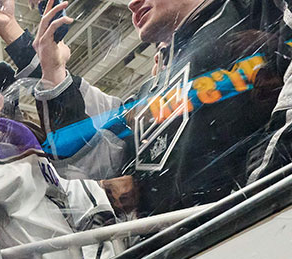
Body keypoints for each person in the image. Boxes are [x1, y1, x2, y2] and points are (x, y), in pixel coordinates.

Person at [24, 0, 284, 216]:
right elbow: (94, 166)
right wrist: (54, 71)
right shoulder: (149, 92)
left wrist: (254, 200)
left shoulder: (248, 13)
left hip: (255, 231)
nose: (132, 4)